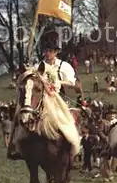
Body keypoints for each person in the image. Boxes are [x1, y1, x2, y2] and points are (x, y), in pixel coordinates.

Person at [8, 29, 80, 160]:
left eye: (50, 51)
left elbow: (72, 82)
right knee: (21, 113)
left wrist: (58, 81)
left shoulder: (64, 66)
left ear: (56, 51)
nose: (47, 53)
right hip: (40, 99)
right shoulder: (38, 65)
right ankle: (15, 145)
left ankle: (73, 144)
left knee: (65, 122)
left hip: (57, 99)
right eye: (46, 50)